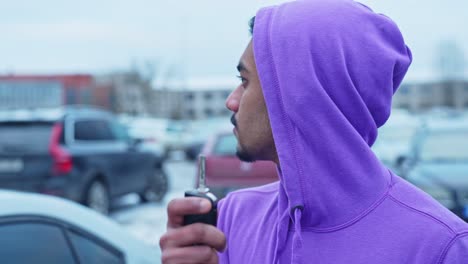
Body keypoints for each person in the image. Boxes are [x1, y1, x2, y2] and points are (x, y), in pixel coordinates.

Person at [160, 0, 468, 263]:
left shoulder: (440, 246)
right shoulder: (230, 219)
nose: (232, 101)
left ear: (302, 95)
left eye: (245, 81)